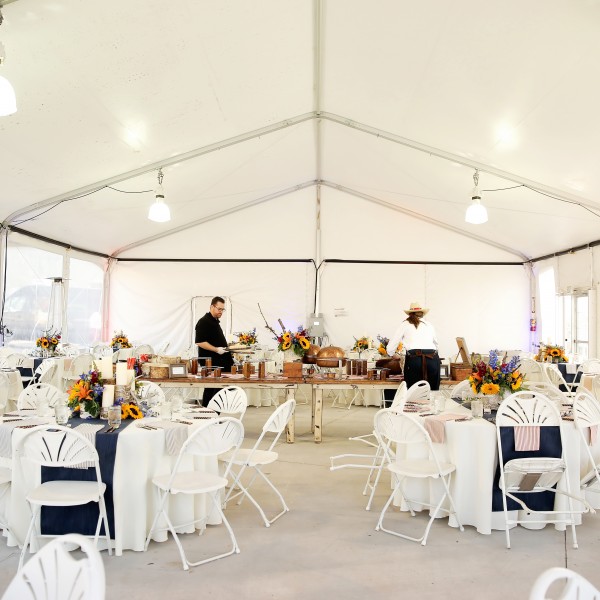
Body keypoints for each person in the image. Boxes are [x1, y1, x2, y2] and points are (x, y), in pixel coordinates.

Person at [386, 301, 440, 391]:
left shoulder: (405, 324)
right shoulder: (429, 325)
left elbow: (391, 346)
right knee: (433, 392)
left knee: (413, 393)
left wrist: (391, 354)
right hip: (432, 360)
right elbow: (436, 345)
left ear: (410, 314)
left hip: (414, 360)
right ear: (422, 313)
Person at [195, 296, 233, 406]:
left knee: (217, 391)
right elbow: (199, 342)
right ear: (212, 306)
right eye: (219, 309)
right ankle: (208, 413)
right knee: (213, 391)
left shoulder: (214, 321)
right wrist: (217, 350)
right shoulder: (204, 321)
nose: (221, 311)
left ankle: (211, 414)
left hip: (219, 362)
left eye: (222, 309)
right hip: (212, 363)